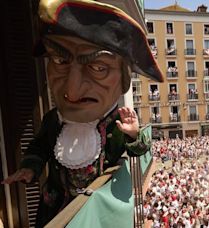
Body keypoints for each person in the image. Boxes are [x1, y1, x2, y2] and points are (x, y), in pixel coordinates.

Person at [1, 0, 163, 226]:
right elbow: (40, 147)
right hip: (55, 211)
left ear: (123, 78)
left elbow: (140, 150)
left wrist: (134, 135)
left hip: (99, 214)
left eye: (98, 68)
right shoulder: (53, 121)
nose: (72, 90)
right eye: (59, 61)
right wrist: (30, 167)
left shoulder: (116, 121)